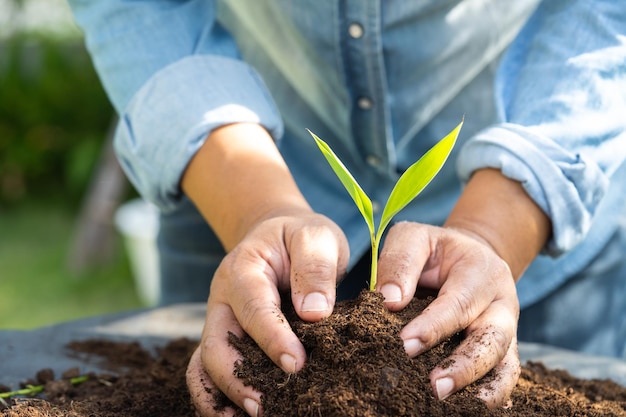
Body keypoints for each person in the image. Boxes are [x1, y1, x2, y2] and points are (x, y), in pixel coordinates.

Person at [67, 1, 626, 416]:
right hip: (234, 173)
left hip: (527, 189)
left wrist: (489, 232)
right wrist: (257, 210)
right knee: (231, 372)